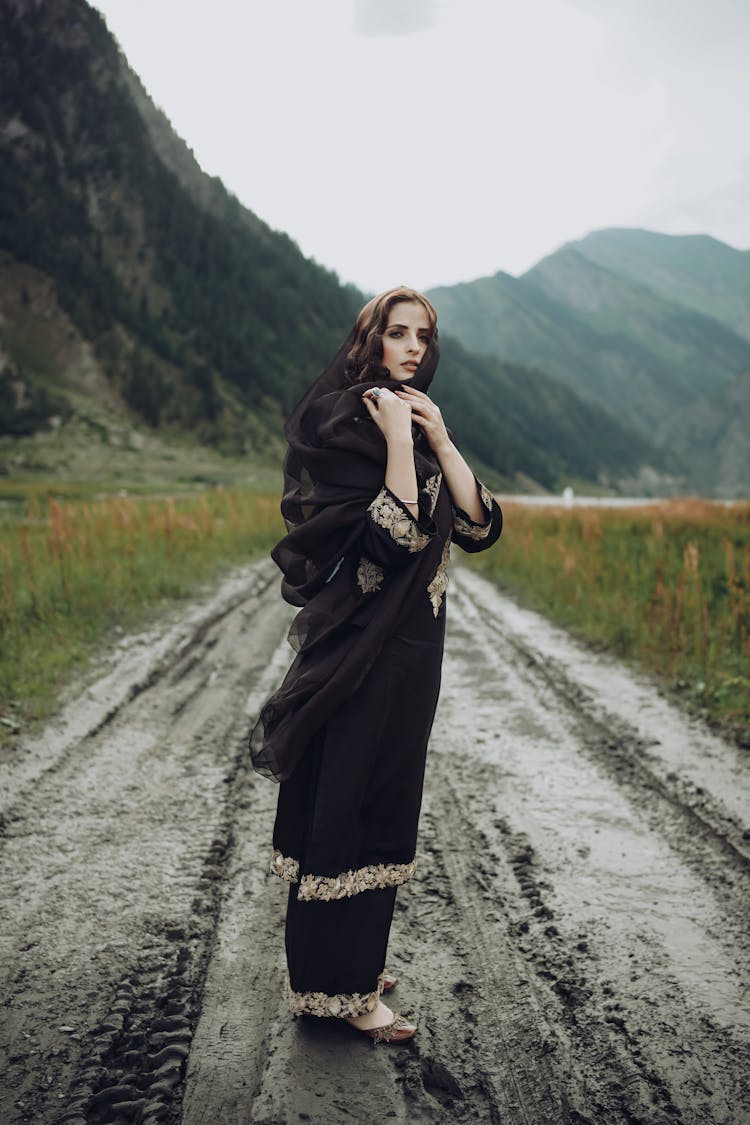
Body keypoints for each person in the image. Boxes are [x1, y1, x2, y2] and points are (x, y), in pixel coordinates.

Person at [250, 286, 502, 1043]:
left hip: (411, 653)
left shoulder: (416, 421)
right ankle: (344, 992)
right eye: (398, 334)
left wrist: (442, 439)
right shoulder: (345, 421)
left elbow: (480, 525)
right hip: (361, 649)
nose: (415, 348)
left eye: (424, 336)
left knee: (383, 796)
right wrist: (397, 438)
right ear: (371, 340)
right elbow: (389, 536)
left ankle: (347, 962)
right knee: (347, 804)